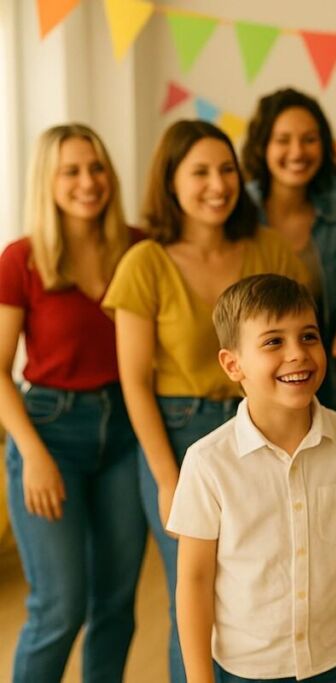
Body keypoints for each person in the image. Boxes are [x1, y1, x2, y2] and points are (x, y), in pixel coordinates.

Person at [103, 120, 307, 683]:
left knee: (262, 585)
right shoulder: (144, 262)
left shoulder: (269, 247)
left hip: (267, 430)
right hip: (177, 432)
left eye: (226, 170)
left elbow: (295, 353)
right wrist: (167, 476)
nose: (218, 184)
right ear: (170, 181)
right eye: (200, 172)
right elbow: (135, 383)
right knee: (192, 597)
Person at [170, 274, 336, 683]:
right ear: (232, 364)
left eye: (309, 336)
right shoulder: (206, 463)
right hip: (247, 668)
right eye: (274, 341)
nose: (298, 354)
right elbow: (194, 579)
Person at [0, 124, 146, 682]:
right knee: (59, 606)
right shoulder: (22, 259)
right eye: (72, 171)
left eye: (96, 167)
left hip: (127, 434)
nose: (88, 181)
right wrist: (32, 453)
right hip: (50, 433)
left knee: (115, 603)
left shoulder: (138, 247)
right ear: (49, 181)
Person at [242, 87, 336, 416]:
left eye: (309, 139)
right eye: (283, 139)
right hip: (250, 385)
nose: (297, 151)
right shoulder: (237, 211)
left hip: (320, 379)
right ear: (263, 145)